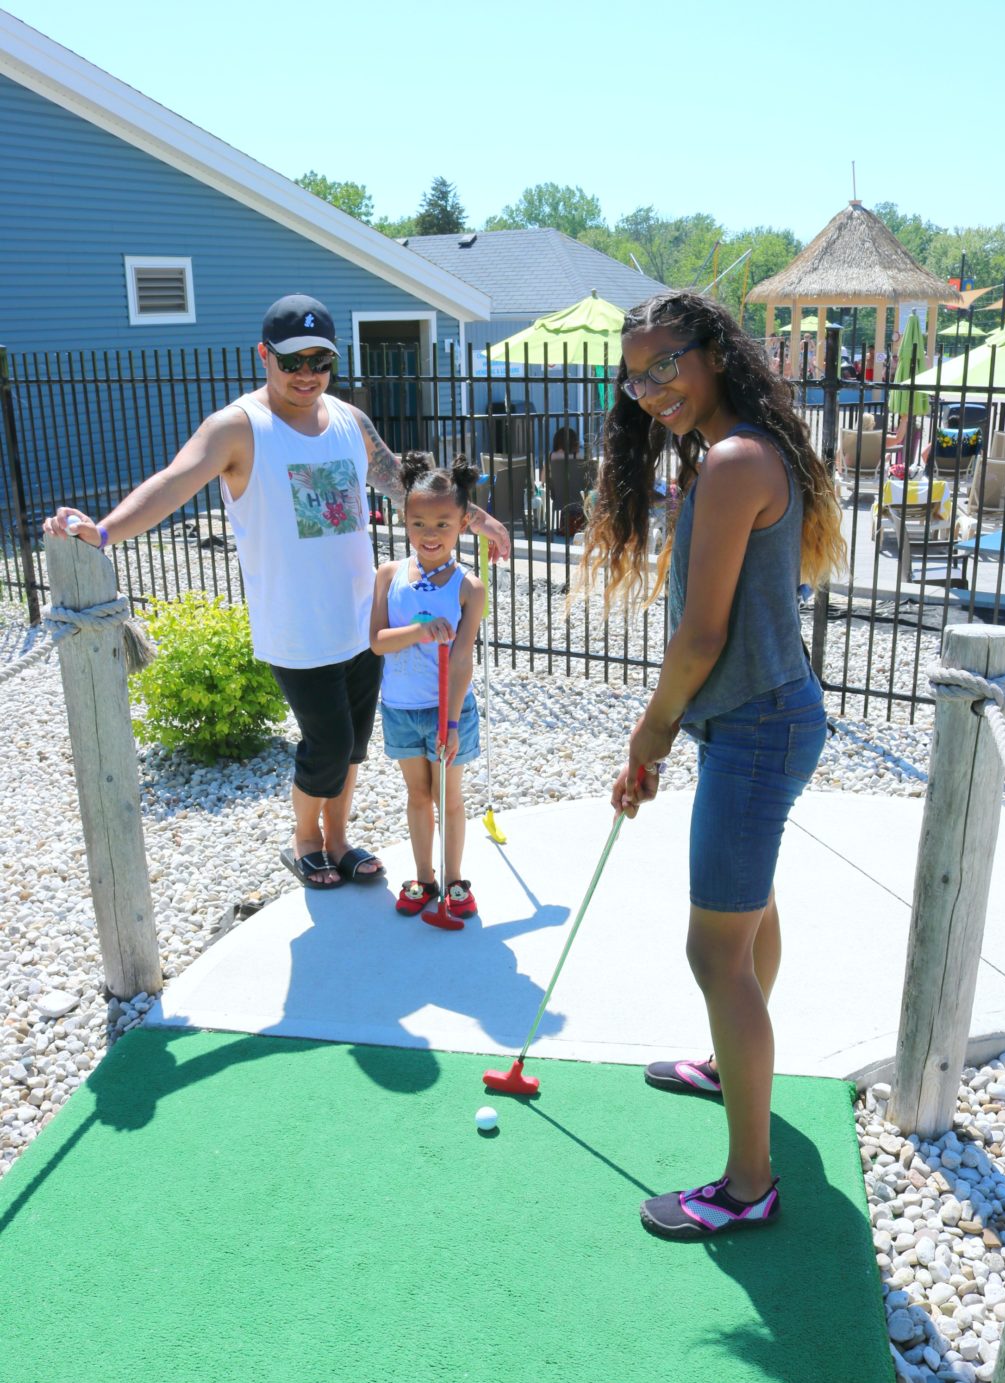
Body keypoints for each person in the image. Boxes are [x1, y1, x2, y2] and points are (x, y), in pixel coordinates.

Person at [43, 294, 509, 890]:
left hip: (362, 621)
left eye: (320, 360)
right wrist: (103, 531)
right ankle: (304, 842)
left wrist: (480, 520)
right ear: (265, 355)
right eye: (293, 361)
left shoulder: (349, 421)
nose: (307, 374)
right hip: (295, 627)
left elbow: (411, 490)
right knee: (327, 743)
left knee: (357, 746)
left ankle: (338, 841)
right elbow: (172, 483)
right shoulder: (238, 428)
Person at [576, 290, 846, 1242]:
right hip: (764, 719)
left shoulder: (734, 461)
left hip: (758, 725)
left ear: (713, 353)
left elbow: (701, 636)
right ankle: (736, 1069)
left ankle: (746, 1186)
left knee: (711, 952)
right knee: (749, 910)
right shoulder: (738, 452)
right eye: (633, 377)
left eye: (665, 367)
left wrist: (648, 737)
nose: (650, 391)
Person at [370, 454, 485, 919]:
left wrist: (452, 722)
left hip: (446, 709)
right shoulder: (389, 576)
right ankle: (424, 877)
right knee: (417, 796)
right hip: (399, 707)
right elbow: (377, 643)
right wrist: (421, 631)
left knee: (447, 797)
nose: (430, 534)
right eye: (419, 523)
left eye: (442, 522)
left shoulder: (468, 587)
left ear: (461, 523)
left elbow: (462, 660)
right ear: (403, 520)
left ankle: (454, 881)